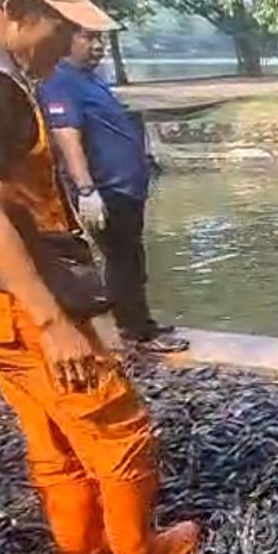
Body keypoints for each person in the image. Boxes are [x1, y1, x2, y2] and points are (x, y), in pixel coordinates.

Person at [0, 0, 200, 554]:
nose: (69, 44)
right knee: (118, 426)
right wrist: (53, 322)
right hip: (14, 299)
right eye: (62, 27)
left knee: (53, 432)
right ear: (17, 10)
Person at [39, 26, 187, 354]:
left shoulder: (90, 79)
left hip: (125, 188)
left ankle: (138, 321)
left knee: (132, 257)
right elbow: (67, 137)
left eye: (100, 39)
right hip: (105, 190)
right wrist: (86, 190)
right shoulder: (60, 82)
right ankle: (135, 331)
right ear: (65, 39)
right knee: (122, 260)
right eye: (88, 38)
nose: (98, 46)